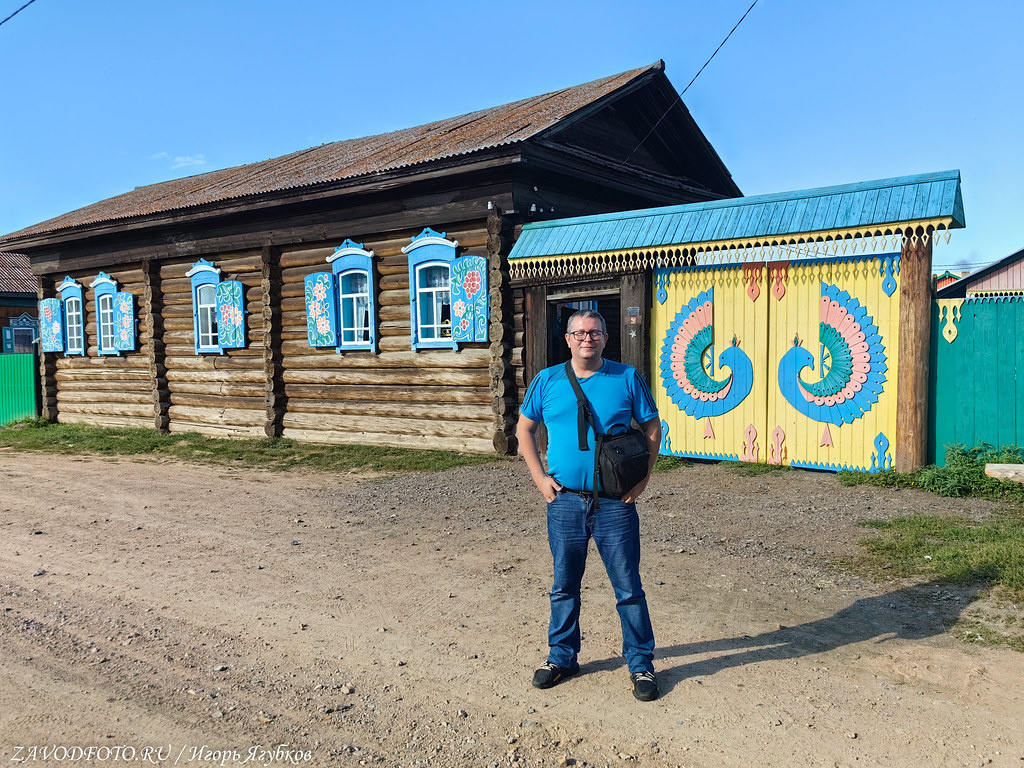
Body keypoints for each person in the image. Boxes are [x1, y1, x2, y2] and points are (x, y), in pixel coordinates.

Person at [515, 309, 662, 702]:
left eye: (594, 332)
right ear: (567, 338)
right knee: (564, 586)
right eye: (579, 332)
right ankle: (562, 656)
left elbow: (651, 428)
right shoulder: (546, 381)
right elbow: (524, 429)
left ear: (605, 337)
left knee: (628, 587)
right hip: (564, 501)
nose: (587, 339)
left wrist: (643, 478)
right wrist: (539, 478)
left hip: (615, 504)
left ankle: (641, 664)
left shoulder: (626, 378)